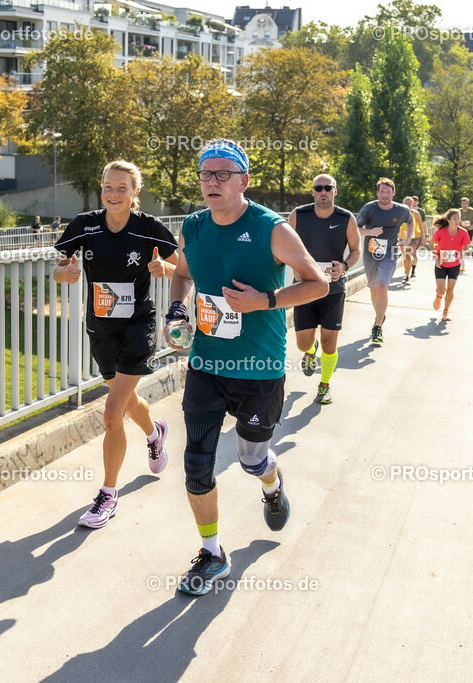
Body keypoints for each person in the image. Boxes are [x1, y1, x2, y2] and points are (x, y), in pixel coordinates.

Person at [165, 139, 328, 595]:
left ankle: (272, 487)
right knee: (197, 465)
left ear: (244, 181)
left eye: (223, 174)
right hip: (206, 365)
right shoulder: (193, 226)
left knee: (252, 460)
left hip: (258, 369)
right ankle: (212, 553)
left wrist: (265, 300)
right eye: (205, 174)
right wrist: (177, 312)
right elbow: (182, 273)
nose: (211, 182)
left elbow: (317, 284)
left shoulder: (271, 229)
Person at [53, 161, 179, 530]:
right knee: (124, 400)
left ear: (135, 192)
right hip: (101, 327)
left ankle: (108, 494)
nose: (113, 193)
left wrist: (166, 270)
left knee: (111, 413)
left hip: (138, 325)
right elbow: (58, 269)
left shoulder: (149, 227)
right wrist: (66, 274)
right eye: (108, 186)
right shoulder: (84, 224)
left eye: (122, 187)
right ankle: (154, 433)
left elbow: (185, 270)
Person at [290, 174, 361, 405]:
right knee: (302, 343)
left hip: (333, 289)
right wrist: (295, 266)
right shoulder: (298, 215)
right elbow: (284, 246)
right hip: (304, 288)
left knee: (330, 342)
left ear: (334, 191)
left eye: (328, 188)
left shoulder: (346, 218)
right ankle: (311, 351)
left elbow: (356, 250)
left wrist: (344, 266)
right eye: (319, 188)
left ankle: (324, 385)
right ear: (312, 191)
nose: (323, 192)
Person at [355, 178, 413, 345]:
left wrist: (408, 240)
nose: (385, 195)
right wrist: (369, 232)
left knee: (382, 286)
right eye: (382, 191)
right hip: (371, 253)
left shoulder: (402, 210)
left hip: (390, 252)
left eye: (388, 192)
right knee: (374, 289)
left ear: (393, 193)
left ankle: (378, 326)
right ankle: (380, 315)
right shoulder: (369, 208)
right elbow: (355, 229)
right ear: (377, 193)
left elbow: (410, 222)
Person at [431, 209, 471, 321]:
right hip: (441, 264)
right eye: (454, 219)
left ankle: (446, 311)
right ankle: (439, 296)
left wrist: (463, 253)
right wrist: (436, 257)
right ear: (448, 220)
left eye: (459, 219)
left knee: (450, 290)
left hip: (455, 264)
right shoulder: (441, 231)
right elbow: (431, 244)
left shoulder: (464, 233)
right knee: (441, 290)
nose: (457, 221)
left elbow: (466, 246)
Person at [399, 197, 424, 283]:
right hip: (403, 237)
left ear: (413, 204)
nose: (407, 205)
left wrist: (423, 238)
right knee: (405, 256)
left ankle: (407, 276)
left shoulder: (416, 213)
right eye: (406, 203)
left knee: (409, 254)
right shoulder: (400, 213)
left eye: (409, 203)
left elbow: (421, 226)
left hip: (414, 238)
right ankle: (407, 271)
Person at [458, 198, 473, 273]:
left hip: (469, 231)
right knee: (460, 247)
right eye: (463, 204)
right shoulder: (458, 211)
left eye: (465, 204)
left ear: (468, 204)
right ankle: (461, 263)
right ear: (461, 204)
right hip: (460, 231)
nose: (464, 205)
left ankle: (462, 259)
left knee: (466, 247)